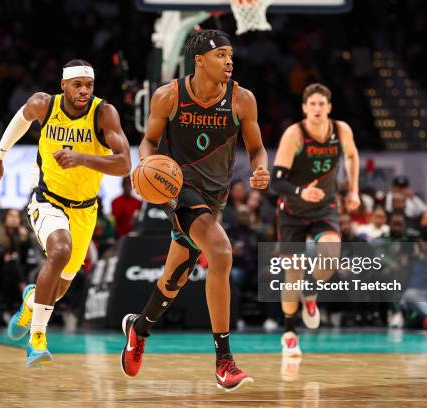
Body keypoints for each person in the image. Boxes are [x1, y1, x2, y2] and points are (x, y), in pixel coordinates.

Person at [120, 30, 269, 392]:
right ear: (199, 60)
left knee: (175, 279)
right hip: (178, 189)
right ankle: (224, 361)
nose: (229, 61)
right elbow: (149, 140)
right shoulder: (168, 96)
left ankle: (138, 329)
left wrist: (260, 168)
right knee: (220, 252)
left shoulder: (242, 99)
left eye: (231, 55)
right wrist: (146, 165)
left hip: (214, 198)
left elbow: (257, 149)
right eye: (221, 55)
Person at [0, 59, 131, 367]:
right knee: (60, 250)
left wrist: (82, 158)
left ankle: (29, 303)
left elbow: (124, 164)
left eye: (88, 85)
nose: (83, 91)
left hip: (86, 210)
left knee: (59, 288)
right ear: (63, 85)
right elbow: (20, 120)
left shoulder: (104, 114)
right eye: (77, 85)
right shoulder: (44, 105)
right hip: (48, 201)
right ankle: (37, 337)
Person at [270, 83, 360, 356]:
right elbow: (276, 181)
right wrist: (301, 191)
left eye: (322, 104)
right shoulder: (294, 134)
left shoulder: (341, 130)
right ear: (304, 108)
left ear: (329, 108)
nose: (318, 109)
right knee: (291, 275)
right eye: (313, 104)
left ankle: (310, 289)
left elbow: (353, 156)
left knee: (330, 258)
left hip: (324, 207)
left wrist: (353, 189)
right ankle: (289, 332)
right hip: (292, 211)